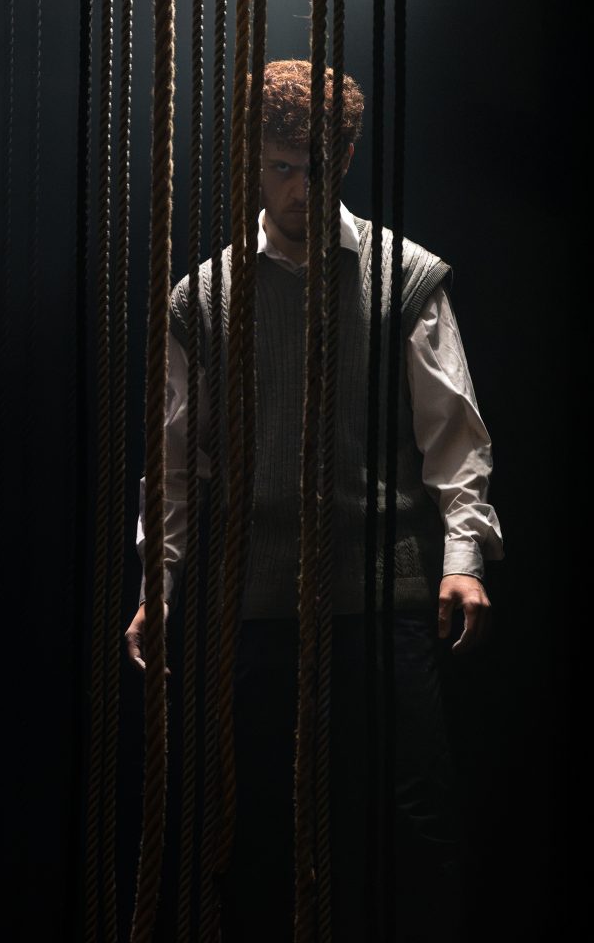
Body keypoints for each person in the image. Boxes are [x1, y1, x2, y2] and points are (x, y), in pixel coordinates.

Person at [125, 58, 503, 941]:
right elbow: (177, 464)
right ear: (253, 164)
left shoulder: (401, 275)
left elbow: (453, 433)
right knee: (251, 823)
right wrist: (159, 585)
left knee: (411, 813)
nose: (300, 185)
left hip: (381, 596)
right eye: (282, 166)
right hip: (254, 603)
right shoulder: (206, 297)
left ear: (345, 157)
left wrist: (461, 560)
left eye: (317, 165)